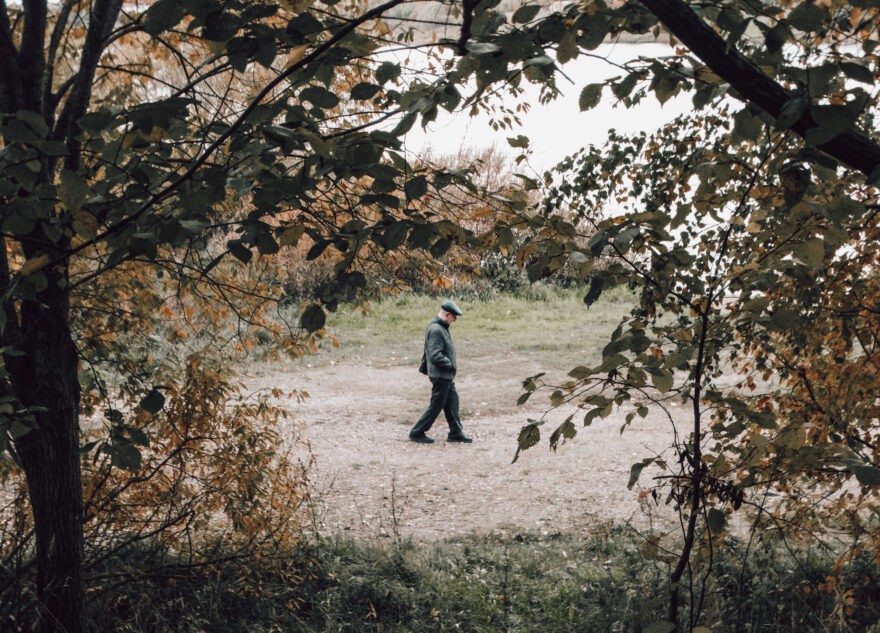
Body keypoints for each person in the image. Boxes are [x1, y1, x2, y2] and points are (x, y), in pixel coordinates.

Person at [409, 299, 473, 444]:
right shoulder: (436, 329)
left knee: (452, 403)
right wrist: (449, 364)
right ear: (447, 314)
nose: (454, 320)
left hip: (445, 375)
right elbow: (435, 354)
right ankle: (416, 432)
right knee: (436, 406)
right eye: (454, 317)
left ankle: (456, 433)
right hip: (441, 375)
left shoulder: (440, 326)